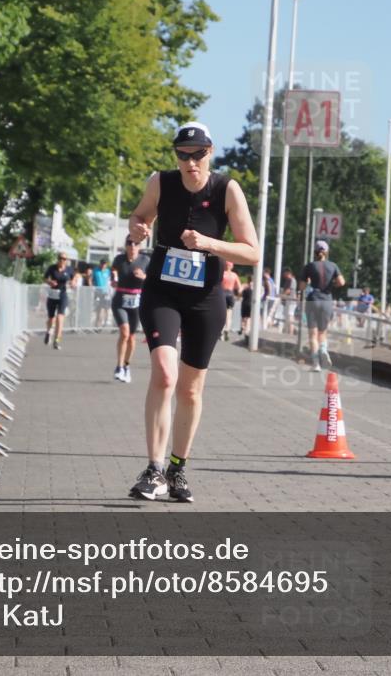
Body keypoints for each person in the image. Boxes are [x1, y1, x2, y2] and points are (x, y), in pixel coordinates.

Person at [127, 122, 259, 502]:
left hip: (205, 298)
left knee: (190, 387)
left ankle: (177, 468)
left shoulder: (226, 190)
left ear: (210, 152)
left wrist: (209, 244)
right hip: (162, 292)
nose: (190, 163)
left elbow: (251, 251)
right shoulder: (161, 182)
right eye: (183, 155)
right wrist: (137, 229)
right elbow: (140, 216)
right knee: (165, 375)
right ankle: (153, 470)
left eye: (198, 154)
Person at [299, 240, 345, 372]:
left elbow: (301, 287)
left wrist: (308, 282)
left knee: (312, 334)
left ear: (315, 252)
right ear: (327, 252)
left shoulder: (309, 266)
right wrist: (332, 285)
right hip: (327, 300)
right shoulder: (333, 266)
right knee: (322, 332)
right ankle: (324, 350)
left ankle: (315, 363)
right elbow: (341, 282)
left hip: (313, 299)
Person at [111, 239, 150, 383]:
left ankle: (127, 366)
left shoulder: (145, 260)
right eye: (129, 243)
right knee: (124, 332)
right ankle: (119, 366)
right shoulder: (119, 259)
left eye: (135, 244)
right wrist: (113, 279)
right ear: (126, 246)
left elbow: (153, 279)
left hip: (136, 302)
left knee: (132, 337)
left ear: (139, 246)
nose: (132, 246)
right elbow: (113, 272)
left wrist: (144, 277)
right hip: (120, 299)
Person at [43, 252, 76, 350]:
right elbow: (45, 278)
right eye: (61, 258)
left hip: (63, 294)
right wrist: (50, 282)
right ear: (58, 259)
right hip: (52, 294)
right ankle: (49, 332)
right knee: (51, 318)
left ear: (67, 260)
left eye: (64, 259)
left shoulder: (69, 269)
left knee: (60, 317)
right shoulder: (52, 268)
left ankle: (57, 340)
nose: (62, 260)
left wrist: (72, 283)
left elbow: (73, 279)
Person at [220, 260, 242, 341]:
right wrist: (239, 295)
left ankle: (221, 331)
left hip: (222, 294)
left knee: (221, 314)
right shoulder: (234, 275)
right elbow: (239, 288)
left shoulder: (222, 273)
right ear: (232, 266)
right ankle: (227, 329)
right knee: (229, 313)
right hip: (230, 294)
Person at [92, 258, 112, 327]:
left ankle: (105, 321)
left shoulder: (108, 271)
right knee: (98, 308)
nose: (103, 265)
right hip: (97, 292)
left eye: (105, 264)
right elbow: (91, 279)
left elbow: (109, 280)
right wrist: (92, 286)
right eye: (102, 263)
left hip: (105, 292)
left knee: (106, 308)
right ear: (100, 264)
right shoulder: (95, 270)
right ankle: (97, 323)